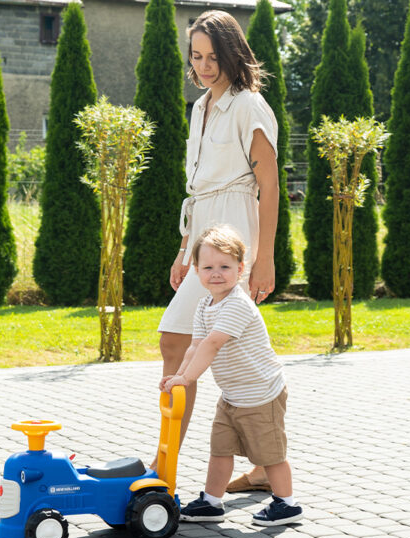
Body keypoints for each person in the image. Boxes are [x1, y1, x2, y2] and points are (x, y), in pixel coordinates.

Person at [157, 9, 278, 492]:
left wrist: (264, 257)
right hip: (202, 231)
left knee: (179, 343)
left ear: (231, 53)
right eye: (196, 56)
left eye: (212, 56)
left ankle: (162, 469)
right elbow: (197, 187)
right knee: (235, 357)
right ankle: (267, 468)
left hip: (235, 231)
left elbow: (268, 186)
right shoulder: (200, 107)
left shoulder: (249, 105)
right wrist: (184, 250)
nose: (204, 66)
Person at [160, 225, 302, 526]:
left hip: (262, 394)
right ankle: (212, 502)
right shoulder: (203, 306)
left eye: (225, 267)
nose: (216, 273)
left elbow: (212, 344)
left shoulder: (237, 305)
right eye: (208, 267)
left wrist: (186, 380)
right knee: (220, 449)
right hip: (233, 396)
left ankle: (286, 504)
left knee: (271, 453)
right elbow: (195, 346)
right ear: (196, 271)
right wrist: (179, 377)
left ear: (240, 269)